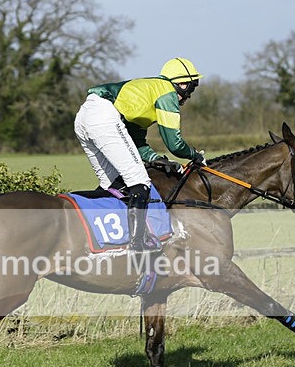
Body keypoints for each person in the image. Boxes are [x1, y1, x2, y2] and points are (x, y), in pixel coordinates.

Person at [74, 57, 205, 252]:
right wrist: (195, 156)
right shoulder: (167, 92)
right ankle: (138, 243)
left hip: (84, 116)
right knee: (140, 182)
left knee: (112, 185)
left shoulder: (149, 92)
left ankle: (82, 222)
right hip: (103, 116)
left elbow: (136, 141)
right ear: (181, 83)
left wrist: (155, 158)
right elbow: (174, 143)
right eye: (191, 88)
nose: (189, 96)